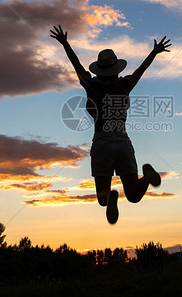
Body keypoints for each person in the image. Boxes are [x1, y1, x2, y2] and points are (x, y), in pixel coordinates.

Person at [50, 25, 171, 224]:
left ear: (99, 70)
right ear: (116, 69)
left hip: (102, 143)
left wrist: (65, 43)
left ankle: (111, 197)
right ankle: (147, 179)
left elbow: (77, 66)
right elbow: (141, 70)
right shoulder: (125, 84)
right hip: (122, 141)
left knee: (102, 197)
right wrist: (154, 52)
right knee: (133, 195)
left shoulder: (91, 85)